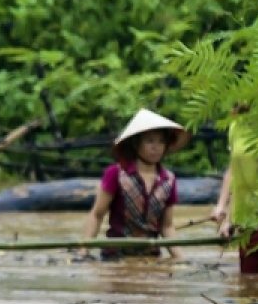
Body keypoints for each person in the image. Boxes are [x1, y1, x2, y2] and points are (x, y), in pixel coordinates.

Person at [81, 109, 191, 260]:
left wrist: (181, 259)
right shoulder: (116, 174)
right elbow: (97, 214)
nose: (156, 147)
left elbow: (167, 227)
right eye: (150, 141)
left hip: (151, 256)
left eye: (161, 141)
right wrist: (84, 252)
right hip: (116, 256)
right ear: (135, 143)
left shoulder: (169, 180)